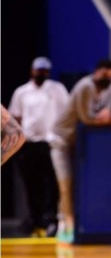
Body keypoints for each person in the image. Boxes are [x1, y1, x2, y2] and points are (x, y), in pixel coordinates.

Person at [50, 59, 111, 243]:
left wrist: (108, 116)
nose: (107, 79)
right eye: (104, 75)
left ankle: (67, 223)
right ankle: (67, 227)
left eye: (110, 76)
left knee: (76, 187)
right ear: (96, 72)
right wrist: (107, 119)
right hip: (61, 140)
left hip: (78, 143)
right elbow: (87, 119)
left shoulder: (109, 90)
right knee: (65, 184)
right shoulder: (85, 86)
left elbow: (108, 111)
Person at [8, 57, 69, 237]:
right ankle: (34, 222)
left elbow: (66, 112)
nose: (41, 73)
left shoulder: (57, 89)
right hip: (28, 144)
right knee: (30, 183)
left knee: (51, 184)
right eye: (38, 70)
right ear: (32, 70)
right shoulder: (22, 92)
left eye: (44, 71)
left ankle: (51, 221)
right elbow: (15, 117)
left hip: (50, 143)